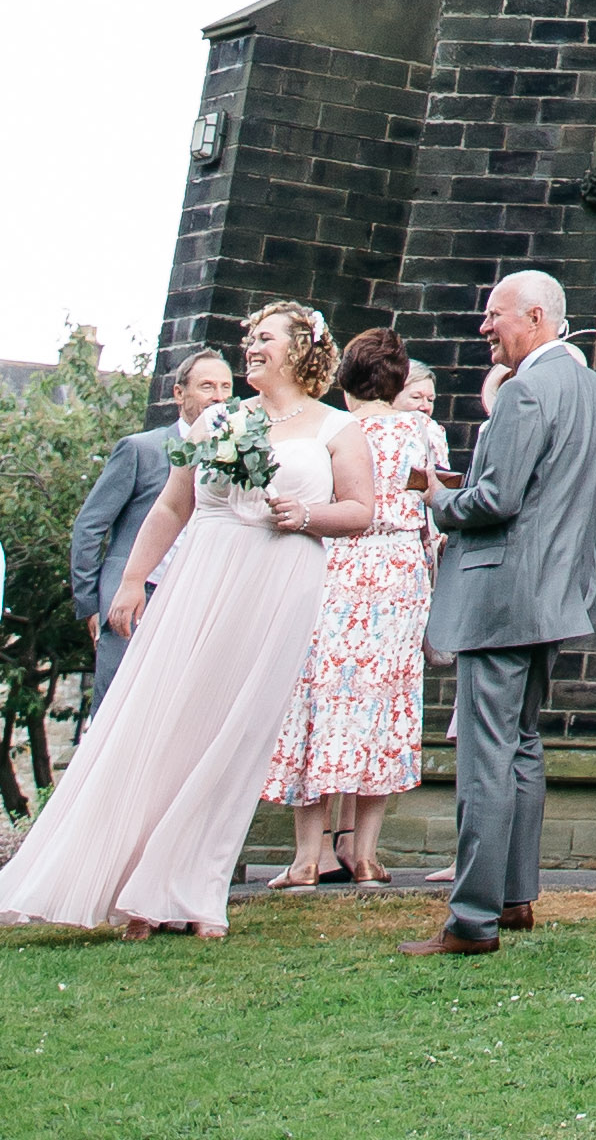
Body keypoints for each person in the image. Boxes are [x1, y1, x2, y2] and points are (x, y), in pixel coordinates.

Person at [0, 308, 382, 937]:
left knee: (236, 734)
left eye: (263, 339)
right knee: (166, 719)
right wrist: (129, 582)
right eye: (249, 340)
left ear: (300, 351)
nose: (249, 348)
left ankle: (194, 892)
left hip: (279, 579)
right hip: (201, 575)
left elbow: (360, 511)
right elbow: (173, 504)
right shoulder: (216, 420)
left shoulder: (338, 429)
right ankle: (130, 887)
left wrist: (307, 515)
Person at [414, 267, 596, 956]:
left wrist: (438, 500)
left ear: (534, 318)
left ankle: (471, 920)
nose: (484, 329)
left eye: (494, 315)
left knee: (485, 758)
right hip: (557, 601)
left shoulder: (525, 391)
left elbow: (495, 500)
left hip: (502, 599)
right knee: (526, 748)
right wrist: (563, 564)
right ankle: (516, 898)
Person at [264, 326, 446, 891]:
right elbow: (436, 509)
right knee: (385, 705)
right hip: (400, 573)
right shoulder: (423, 433)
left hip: (340, 562)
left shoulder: (336, 429)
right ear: (396, 383)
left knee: (318, 700)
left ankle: (305, 858)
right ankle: (365, 856)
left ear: (345, 381)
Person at [68, 357, 235, 730]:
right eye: (207, 386)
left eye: (226, 388)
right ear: (179, 393)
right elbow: (90, 526)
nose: (218, 397)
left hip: (194, 596)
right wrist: (91, 604)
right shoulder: (141, 449)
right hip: (133, 595)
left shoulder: (236, 456)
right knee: (116, 715)